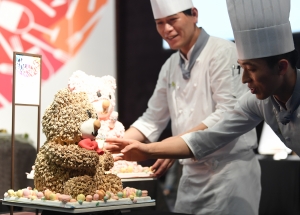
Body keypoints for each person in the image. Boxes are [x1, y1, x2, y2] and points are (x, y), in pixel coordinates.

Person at [106, 0, 300, 213]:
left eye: (172, 20)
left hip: (228, 175)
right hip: (191, 173)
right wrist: (117, 145)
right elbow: (200, 133)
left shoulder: (222, 52)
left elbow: (223, 115)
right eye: (160, 23)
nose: (244, 79)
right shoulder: (256, 102)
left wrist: (162, 147)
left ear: (194, 14)